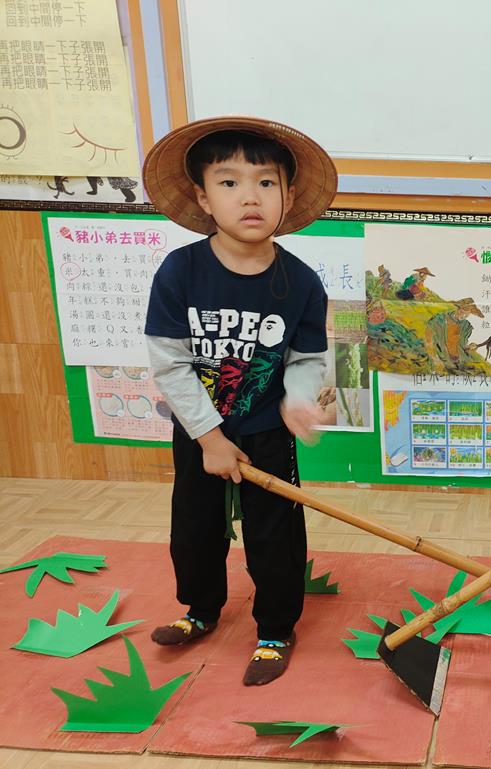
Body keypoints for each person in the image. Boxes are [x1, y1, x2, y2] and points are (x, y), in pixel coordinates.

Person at [142, 116, 336, 686]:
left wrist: (298, 400)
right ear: (204, 197)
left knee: (275, 534)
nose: (250, 197)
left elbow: (307, 359)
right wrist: (209, 439)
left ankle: (275, 628)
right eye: (229, 182)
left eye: (266, 182)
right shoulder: (181, 271)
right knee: (194, 527)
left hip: (267, 432)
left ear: (288, 196)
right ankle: (200, 608)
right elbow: (170, 362)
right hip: (199, 431)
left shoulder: (301, 282)